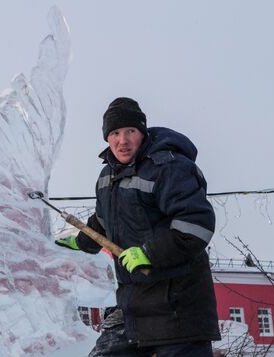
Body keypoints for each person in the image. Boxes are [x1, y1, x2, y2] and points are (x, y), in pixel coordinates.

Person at [55, 97, 220, 356]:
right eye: (115, 133)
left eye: (130, 131)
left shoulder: (169, 167)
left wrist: (148, 253)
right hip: (134, 305)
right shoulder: (106, 177)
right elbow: (103, 220)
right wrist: (81, 240)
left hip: (178, 306)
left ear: (141, 133)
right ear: (107, 138)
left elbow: (195, 225)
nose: (123, 140)